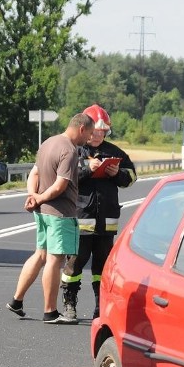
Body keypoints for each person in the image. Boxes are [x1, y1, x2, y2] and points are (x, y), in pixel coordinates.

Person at [6, 112, 94, 324]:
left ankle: (16, 301)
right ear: (81, 128)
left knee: (39, 255)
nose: (89, 139)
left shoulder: (48, 143)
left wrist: (33, 197)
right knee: (55, 260)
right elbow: (60, 186)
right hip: (60, 213)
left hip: (42, 212)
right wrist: (41, 197)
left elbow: (34, 174)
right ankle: (50, 312)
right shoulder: (70, 151)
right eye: (89, 134)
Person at [61, 104, 135, 320]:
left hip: (106, 224)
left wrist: (116, 173)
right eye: (94, 132)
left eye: (102, 132)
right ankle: (69, 306)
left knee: (102, 270)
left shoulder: (116, 153)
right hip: (81, 221)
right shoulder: (75, 150)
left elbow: (131, 177)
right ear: (86, 129)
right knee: (73, 267)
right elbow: (64, 177)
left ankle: (100, 307)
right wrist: (86, 169)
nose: (97, 135)